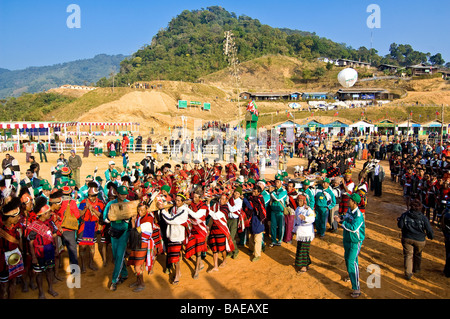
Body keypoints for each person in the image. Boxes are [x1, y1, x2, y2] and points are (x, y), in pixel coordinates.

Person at [334, 193, 365, 298]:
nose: (348, 201)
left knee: (352, 262)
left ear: (354, 202)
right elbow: (346, 218)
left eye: (350, 200)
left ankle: (356, 288)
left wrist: (341, 222)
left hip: (355, 242)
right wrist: (341, 217)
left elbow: (353, 228)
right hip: (347, 239)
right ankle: (351, 276)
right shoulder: (349, 210)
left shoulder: (359, 216)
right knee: (347, 260)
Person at [27, 202, 58, 299]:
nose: (50, 214)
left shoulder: (50, 223)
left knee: (49, 270)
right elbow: (31, 243)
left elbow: (54, 235)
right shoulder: (33, 226)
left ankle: (50, 288)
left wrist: (56, 248)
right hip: (39, 252)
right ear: (43, 214)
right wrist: (33, 257)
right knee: (39, 273)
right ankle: (41, 292)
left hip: (49, 250)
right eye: (48, 212)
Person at [397, 199, 434, 280]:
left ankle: (408, 273)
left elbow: (400, 225)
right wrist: (431, 236)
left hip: (407, 238)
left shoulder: (405, 215)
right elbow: (429, 229)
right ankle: (416, 269)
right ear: (420, 208)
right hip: (420, 240)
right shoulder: (423, 218)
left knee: (408, 255)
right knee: (418, 254)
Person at [103, 186, 131, 291]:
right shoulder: (110, 204)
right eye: (122, 194)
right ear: (117, 194)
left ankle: (114, 280)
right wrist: (110, 218)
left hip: (124, 232)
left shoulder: (129, 203)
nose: (124, 196)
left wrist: (127, 219)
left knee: (119, 255)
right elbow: (105, 218)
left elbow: (133, 216)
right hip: (114, 232)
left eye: (125, 194)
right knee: (117, 255)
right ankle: (124, 273)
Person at [159, 193, 190, 285]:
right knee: (173, 255)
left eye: (178, 200)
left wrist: (163, 210)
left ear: (183, 202)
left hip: (177, 236)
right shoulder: (175, 208)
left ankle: (177, 275)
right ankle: (178, 272)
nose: (176, 202)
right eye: (176, 200)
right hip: (172, 234)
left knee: (175, 257)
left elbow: (171, 220)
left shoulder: (183, 210)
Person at [0, 198, 24, 299]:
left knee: (13, 282)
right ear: (9, 218)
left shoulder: (17, 227)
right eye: (16, 216)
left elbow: (20, 243)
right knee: (3, 286)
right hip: (2, 262)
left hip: (15, 258)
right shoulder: (1, 230)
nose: (18, 218)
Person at [77, 183, 104, 273]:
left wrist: (92, 209)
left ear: (96, 195)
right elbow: (79, 214)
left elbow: (101, 215)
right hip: (84, 225)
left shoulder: (100, 203)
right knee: (82, 247)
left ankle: (91, 263)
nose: (90, 197)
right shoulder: (83, 202)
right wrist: (86, 209)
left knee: (92, 246)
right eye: (89, 195)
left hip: (93, 226)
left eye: (92, 196)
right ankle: (83, 265)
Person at [207, 193, 235, 273]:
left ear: (226, 201)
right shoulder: (216, 206)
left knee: (222, 248)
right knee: (214, 248)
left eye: (223, 199)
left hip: (221, 230)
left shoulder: (225, 208)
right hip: (214, 229)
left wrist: (208, 205)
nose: (221, 200)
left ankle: (224, 259)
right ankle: (215, 266)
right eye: (220, 198)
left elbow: (215, 215)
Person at [186, 190, 209, 279]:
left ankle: (196, 270)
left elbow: (196, 215)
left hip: (201, 230)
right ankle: (201, 264)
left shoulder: (203, 206)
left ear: (200, 198)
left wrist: (186, 207)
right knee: (194, 247)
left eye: (196, 197)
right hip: (194, 229)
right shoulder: (191, 204)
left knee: (198, 250)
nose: (194, 199)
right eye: (193, 197)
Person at [293, 194, 315, 274]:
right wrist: (294, 228)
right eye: (298, 200)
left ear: (304, 201)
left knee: (304, 249)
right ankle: (306, 263)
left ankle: (304, 266)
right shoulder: (297, 209)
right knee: (300, 248)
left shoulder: (308, 209)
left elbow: (312, 218)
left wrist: (305, 218)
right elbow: (295, 220)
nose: (299, 202)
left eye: (301, 200)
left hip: (306, 232)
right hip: (300, 232)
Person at [269, 174, 288, 247]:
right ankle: (273, 240)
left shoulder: (283, 191)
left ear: (281, 182)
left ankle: (280, 240)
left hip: (280, 211)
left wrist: (271, 192)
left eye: (278, 181)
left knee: (281, 226)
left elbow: (277, 198)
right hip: (274, 210)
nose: (276, 183)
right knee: (273, 226)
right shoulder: (274, 190)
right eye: (275, 181)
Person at [442, 208, 450, 278]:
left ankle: (447, 270)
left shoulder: (446, 215)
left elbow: (443, 227)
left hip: (448, 237)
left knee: (448, 253)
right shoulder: (446, 215)